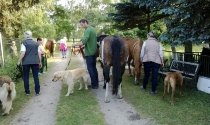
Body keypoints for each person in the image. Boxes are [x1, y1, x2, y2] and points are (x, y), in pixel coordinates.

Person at [71, 19, 99, 89]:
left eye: (82, 24)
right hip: (94, 52)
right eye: (81, 25)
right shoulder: (92, 29)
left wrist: (74, 44)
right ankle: (96, 83)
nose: (82, 26)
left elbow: (83, 41)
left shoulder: (87, 30)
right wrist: (85, 45)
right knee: (94, 68)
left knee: (90, 69)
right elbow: (90, 41)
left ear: (86, 22)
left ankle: (94, 85)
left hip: (89, 53)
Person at [17, 31, 42, 96]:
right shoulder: (36, 44)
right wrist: (40, 61)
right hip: (35, 62)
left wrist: (19, 61)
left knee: (26, 77)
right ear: (31, 35)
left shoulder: (24, 43)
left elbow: (23, 53)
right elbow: (39, 53)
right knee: (36, 76)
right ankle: (37, 92)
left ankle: (27, 92)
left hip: (26, 62)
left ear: (25, 36)